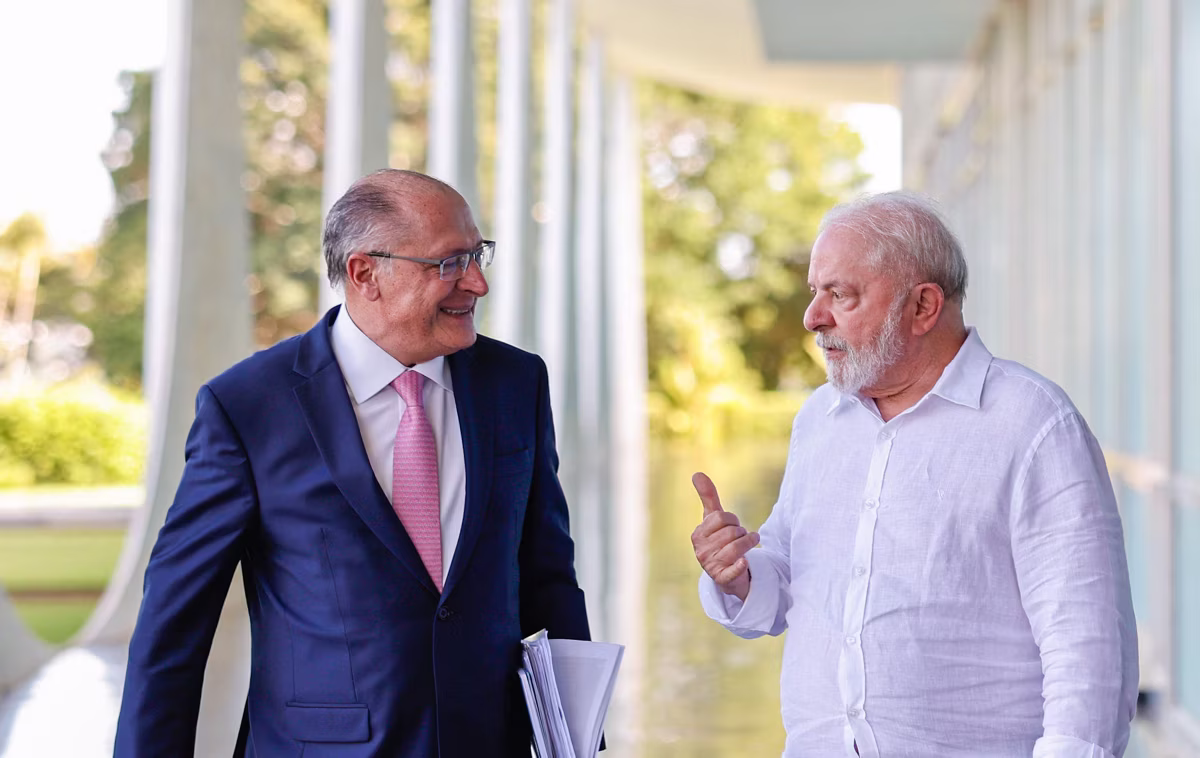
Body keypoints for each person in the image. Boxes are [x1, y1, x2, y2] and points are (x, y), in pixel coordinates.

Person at [115, 169, 593, 757]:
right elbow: (174, 625)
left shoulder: (516, 383)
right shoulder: (248, 406)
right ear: (367, 273)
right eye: (448, 263)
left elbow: (549, 580)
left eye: (477, 255)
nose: (476, 282)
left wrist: (576, 742)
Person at [690, 191, 1138, 757]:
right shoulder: (820, 420)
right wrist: (737, 573)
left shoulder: (1035, 426)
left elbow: (1088, 652)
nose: (812, 318)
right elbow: (789, 586)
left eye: (839, 295)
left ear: (923, 306)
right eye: (814, 293)